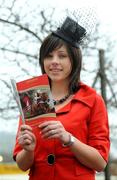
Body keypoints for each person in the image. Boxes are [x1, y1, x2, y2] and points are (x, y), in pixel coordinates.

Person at [13, 16, 110, 180]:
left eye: (62, 56)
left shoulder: (92, 99)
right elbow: (22, 165)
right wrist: (28, 149)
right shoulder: (33, 97)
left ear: (74, 59)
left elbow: (100, 162)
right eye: (49, 56)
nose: (54, 62)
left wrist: (68, 139)